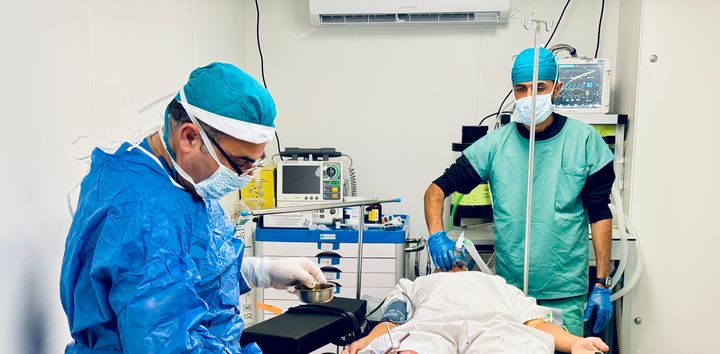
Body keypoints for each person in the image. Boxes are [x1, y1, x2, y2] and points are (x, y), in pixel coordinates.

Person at [60, 62, 326, 353]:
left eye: (256, 163)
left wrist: (262, 272)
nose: (247, 176)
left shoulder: (183, 179)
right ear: (190, 137)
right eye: (240, 163)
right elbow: (165, 339)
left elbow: (195, 270)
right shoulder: (142, 213)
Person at [424, 47, 616, 336]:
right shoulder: (495, 145)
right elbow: (436, 190)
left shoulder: (584, 140)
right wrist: (437, 235)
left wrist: (601, 283)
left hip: (564, 292)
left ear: (557, 88)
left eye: (539, 88)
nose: (530, 97)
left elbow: (600, 211)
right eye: (521, 89)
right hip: (511, 294)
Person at [342, 268, 609, 354]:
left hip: (495, 327)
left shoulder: (497, 283)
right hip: (430, 326)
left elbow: (535, 323)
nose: (457, 265)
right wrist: (368, 340)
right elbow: (392, 321)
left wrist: (576, 343)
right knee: (409, 347)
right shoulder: (417, 284)